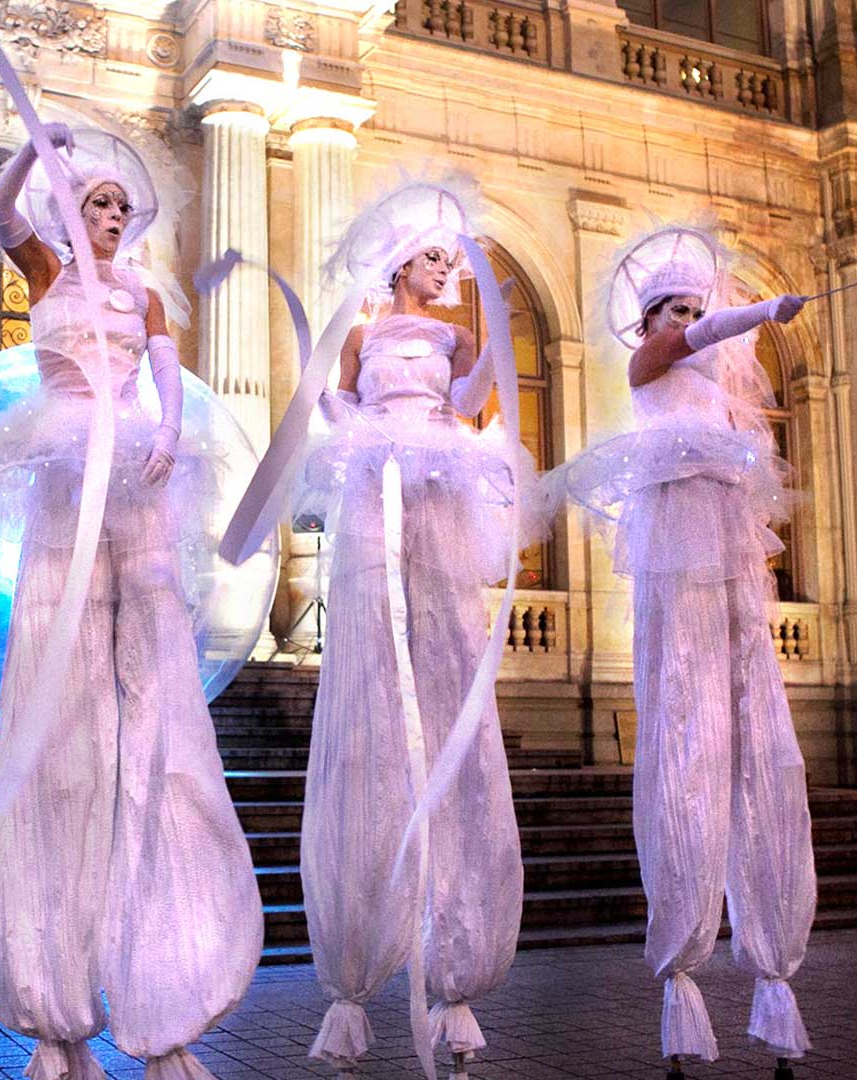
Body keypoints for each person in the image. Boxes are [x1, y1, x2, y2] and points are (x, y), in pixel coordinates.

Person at [0, 122, 262, 1080]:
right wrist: (34, 153)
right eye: (98, 203)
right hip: (66, 473)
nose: (112, 216)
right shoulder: (46, 272)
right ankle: (57, 1006)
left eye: (121, 205)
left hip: (134, 480)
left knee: (152, 680)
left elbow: (163, 365)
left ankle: (168, 992)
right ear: (73, 213)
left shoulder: (143, 294)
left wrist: (167, 428)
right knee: (62, 680)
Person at [549, 225, 816, 1079]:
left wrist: (747, 326)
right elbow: (692, 341)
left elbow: (714, 356)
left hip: (722, 542)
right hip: (678, 542)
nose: (689, 320)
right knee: (684, 729)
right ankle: (685, 967)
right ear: (651, 318)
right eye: (676, 309)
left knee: (753, 725)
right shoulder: (652, 362)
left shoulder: (715, 395)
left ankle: (773, 973)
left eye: (695, 307)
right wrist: (758, 312)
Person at [294, 178, 532, 1078]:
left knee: (441, 646)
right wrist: (335, 413)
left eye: (449, 259)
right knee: (375, 666)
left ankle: (455, 964)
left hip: (434, 484)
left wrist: (495, 345)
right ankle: (361, 961)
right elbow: (338, 406)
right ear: (401, 263)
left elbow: (469, 401)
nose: (445, 272)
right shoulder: (362, 334)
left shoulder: (453, 335)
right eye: (433, 258)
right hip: (376, 488)